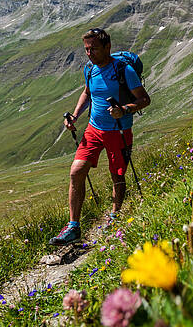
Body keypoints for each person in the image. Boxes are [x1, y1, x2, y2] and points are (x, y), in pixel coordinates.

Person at [49, 28, 150, 245]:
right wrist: (75, 115)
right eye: (86, 49)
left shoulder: (124, 70)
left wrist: (124, 109)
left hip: (118, 130)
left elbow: (144, 99)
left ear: (107, 47)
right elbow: (87, 92)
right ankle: (73, 226)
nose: (89, 53)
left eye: (93, 48)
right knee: (76, 172)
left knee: (118, 175)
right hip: (93, 129)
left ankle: (115, 216)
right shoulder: (89, 69)